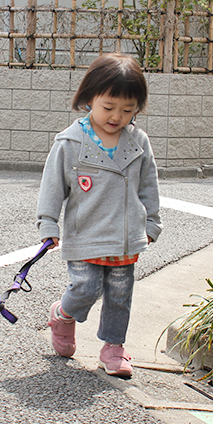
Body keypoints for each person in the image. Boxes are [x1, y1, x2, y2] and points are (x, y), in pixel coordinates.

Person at [36, 53, 162, 379]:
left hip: (125, 238)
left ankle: (113, 349)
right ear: (89, 96)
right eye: (108, 107)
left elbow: (149, 186)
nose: (116, 116)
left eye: (127, 109)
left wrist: (152, 223)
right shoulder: (70, 142)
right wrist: (48, 222)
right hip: (85, 234)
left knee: (120, 297)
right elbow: (53, 186)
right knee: (86, 288)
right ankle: (63, 315)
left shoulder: (138, 142)